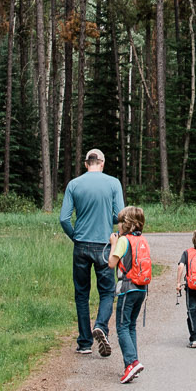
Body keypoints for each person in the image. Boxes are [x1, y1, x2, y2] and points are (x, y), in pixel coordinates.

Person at [58, 148, 124, 357]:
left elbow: (63, 218)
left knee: (81, 294)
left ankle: (85, 342)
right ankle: (101, 327)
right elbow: (120, 216)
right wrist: (109, 221)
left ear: (86, 164)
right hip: (105, 245)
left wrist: (75, 236)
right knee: (106, 291)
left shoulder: (74, 184)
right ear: (102, 163)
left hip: (81, 245)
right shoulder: (113, 183)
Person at [109, 205, 153, 382]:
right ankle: (133, 361)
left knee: (121, 326)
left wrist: (114, 244)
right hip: (141, 288)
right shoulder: (143, 240)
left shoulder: (123, 240)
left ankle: (131, 363)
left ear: (127, 224)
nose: (117, 225)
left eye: (119, 222)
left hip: (127, 288)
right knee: (131, 326)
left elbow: (111, 263)